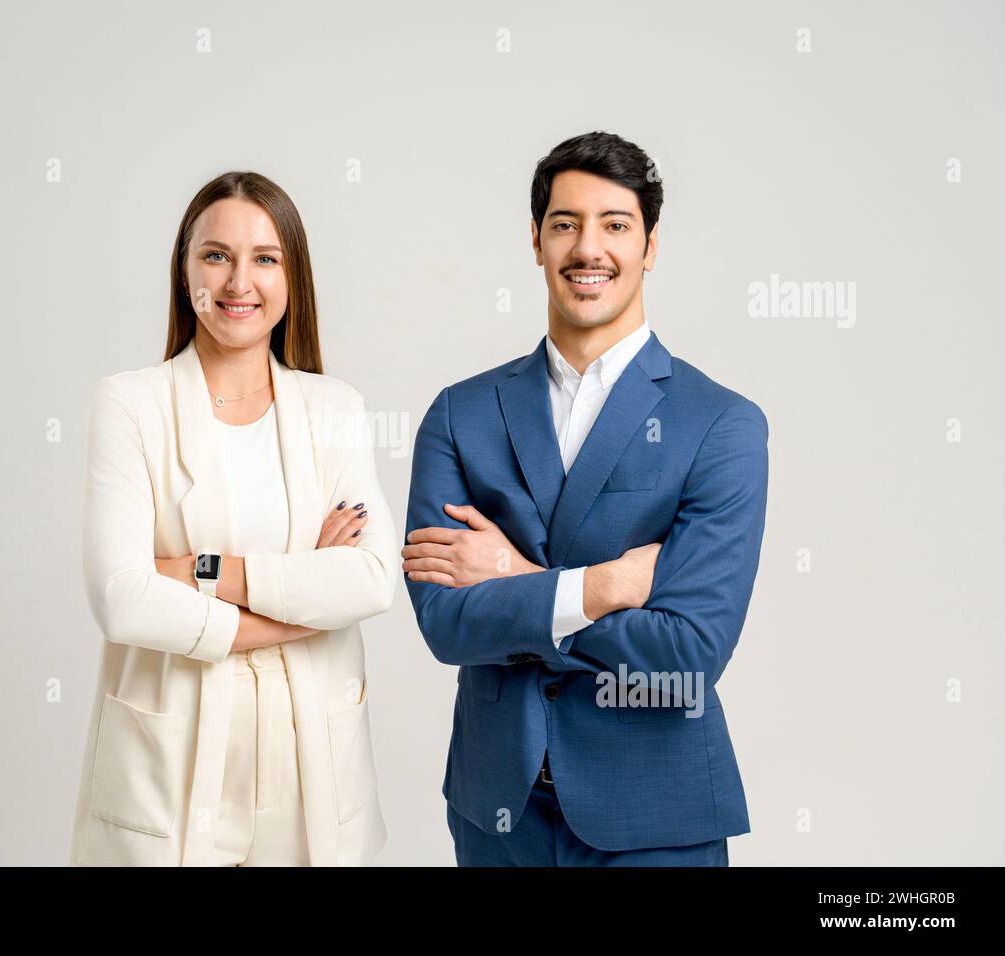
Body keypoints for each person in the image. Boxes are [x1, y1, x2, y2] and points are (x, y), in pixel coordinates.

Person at [403, 131, 769, 866]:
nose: (587, 247)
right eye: (565, 223)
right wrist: (602, 589)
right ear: (536, 241)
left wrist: (513, 579)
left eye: (615, 224)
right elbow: (446, 625)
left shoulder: (721, 424)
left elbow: (687, 657)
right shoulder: (459, 414)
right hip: (497, 815)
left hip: (655, 818)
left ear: (650, 246)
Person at [69, 171, 398, 866]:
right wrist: (301, 609)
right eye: (216, 255)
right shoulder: (131, 405)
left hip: (309, 770)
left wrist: (196, 572)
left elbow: (370, 579)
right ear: (185, 270)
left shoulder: (334, 408)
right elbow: (122, 600)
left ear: (292, 277)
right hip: (170, 766)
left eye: (265, 258)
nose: (238, 281)